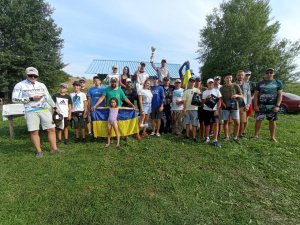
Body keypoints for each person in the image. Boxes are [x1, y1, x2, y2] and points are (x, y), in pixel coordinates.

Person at [12, 67, 62, 157]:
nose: (33, 77)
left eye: (35, 76)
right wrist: (31, 98)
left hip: (44, 109)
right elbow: (14, 99)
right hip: (30, 110)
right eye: (30, 75)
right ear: (26, 75)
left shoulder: (41, 85)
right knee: (34, 131)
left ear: (37, 76)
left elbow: (48, 96)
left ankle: (54, 149)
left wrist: (54, 106)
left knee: (51, 129)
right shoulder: (20, 85)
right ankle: (38, 151)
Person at [253, 68, 283, 142]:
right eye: (267, 72)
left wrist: (277, 106)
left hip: (272, 106)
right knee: (258, 120)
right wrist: (255, 105)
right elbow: (256, 95)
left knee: (272, 121)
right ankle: (256, 135)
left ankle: (272, 137)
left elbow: (280, 95)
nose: (269, 74)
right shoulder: (260, 83)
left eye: (271, 72)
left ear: (274, 73)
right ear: (265, 74)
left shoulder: (278, 83)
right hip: (261, 106)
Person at [220, 73, 243, 143]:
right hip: (225, 107)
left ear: (232, 78)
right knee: (226, 122)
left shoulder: (236, 86)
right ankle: (227, 136)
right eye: (227, 78)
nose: (228, 79)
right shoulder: (222, 88)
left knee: (237, 122)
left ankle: (235, 137)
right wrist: (222, 103)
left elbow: (242, 95)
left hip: (235, 106)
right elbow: (220, 98)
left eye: (230, 77)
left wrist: (236, 95)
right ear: (224, 79)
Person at [202, 79, 222, 147]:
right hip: (206, 110)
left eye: (212, 83)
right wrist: (207, 99)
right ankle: (207, 138)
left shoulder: (217, 91)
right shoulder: (204, 92)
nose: (210, 84)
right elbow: (203, 102)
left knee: (216, 124)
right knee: (207, 124)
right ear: (207, 84)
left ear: (213, 84)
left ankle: (215, 140)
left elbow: (219, 101)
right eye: (209, 83)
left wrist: (217, 110)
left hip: (214, 110)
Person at [182, 77, 200, 142]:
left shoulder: (197, 90)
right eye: (191, 81)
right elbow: (184, 101)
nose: (192, 83)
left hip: (195, 109)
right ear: (189, 82)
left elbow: (199, 100)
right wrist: (184, 110)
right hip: (187, 109)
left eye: (193, 82)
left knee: (194, 124)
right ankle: (187, 135)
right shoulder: (186, 91)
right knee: (187, 123)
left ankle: (194, 136)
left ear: (195, 83)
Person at [235, 70, 251, 137]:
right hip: (234, 106)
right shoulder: (233, 84)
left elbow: (248, 96)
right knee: (233, 122)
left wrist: (247, 105)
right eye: (239, 75)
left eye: (242, 75)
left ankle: (240, 134)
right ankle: (231, 135)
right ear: (236, 76)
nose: (240, 76)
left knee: (242, 121)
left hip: (243, 106)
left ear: (244, 76)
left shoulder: (247, 85)